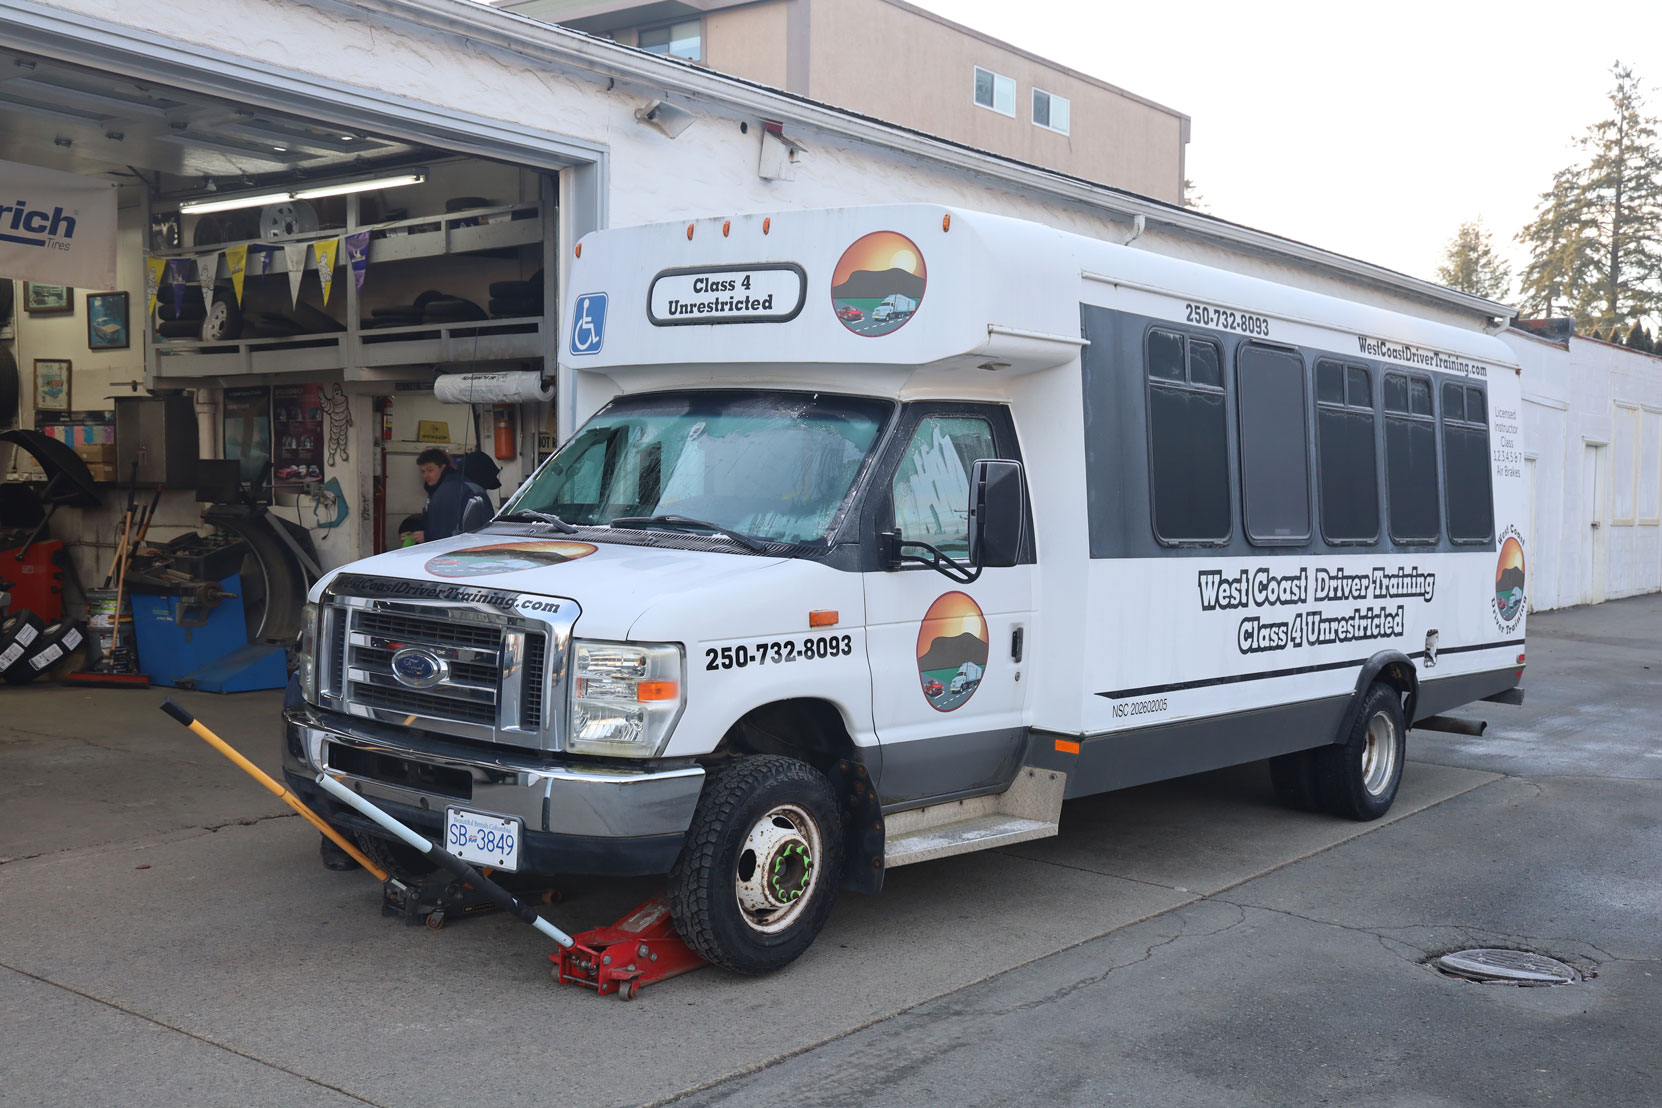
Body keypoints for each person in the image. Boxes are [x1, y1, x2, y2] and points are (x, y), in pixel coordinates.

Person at [403, 447, 492, 544]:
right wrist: (412, 529)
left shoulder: (458, 489)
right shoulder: (436, 490)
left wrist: (427, 536)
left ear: (443, 467)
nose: (426, 476)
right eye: (423, 471)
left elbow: (450, 526)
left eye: (430, 470)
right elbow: (434, 519)